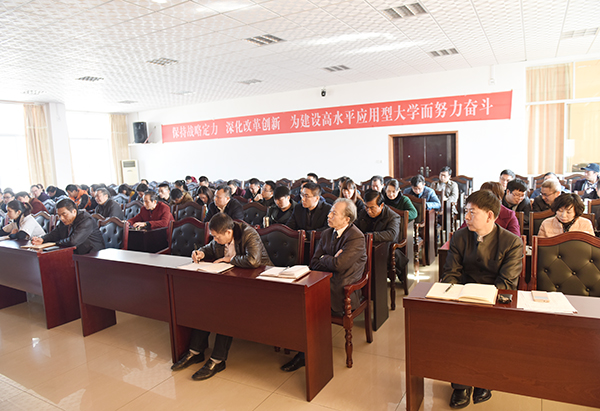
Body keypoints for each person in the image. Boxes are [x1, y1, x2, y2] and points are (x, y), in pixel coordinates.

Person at [442, 190, 523, 408]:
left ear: (489, 216)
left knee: (488, 332)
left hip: (494, 301)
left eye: (472, 212)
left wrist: (483, 302)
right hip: (463, 297)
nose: (466, 217)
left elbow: (506, 283)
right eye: (466, 211)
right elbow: (451, 273)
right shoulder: (460, 237)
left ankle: (484, 380)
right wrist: (454, 297)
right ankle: (460, 385)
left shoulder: (512, 242)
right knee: (457, 329)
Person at [171, 213, 272, 380]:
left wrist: (228, 260)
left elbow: (253, 260)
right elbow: (209, 247)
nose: (215, 240)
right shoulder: (219, 238)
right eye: (213, 236)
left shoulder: (248, 233)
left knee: (225, 309)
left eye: (217, 237)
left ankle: (217, 360)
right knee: (206, 304)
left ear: (229, 232)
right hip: (233, 283)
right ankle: (195, 351)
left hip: (258, 284)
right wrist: (200, 253)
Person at [281, 198, 367, 372]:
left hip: (342, 290)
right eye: (330, 212)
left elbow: (339, 265)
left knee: (307, 305)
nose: (329, 215)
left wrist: (325, 259)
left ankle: (305, 355)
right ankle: (297, 345)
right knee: (293, 298)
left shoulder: (356, 237)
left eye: (334, 213)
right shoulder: (328, 233)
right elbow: (314, 262)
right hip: (322, 282)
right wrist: (330, 259)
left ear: (347, 219)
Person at [356, 190, 407, 283]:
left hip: (383, 248)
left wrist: (370, 236)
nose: (368, 211)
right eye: (366, 207)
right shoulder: (363, 212)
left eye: (372, 208)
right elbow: (356, 227)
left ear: (382, 205)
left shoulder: (393, 216)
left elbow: (392, 234)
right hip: (365, 246)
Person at [31, 199, 105, 254]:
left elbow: (73, 241)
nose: (61, 218)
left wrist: (55, 243)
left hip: (92, 255)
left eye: (64, 214)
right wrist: (42, 239)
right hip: (74, 253)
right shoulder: (64, 220)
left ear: (74, 211)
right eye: (59, 215)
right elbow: (55, 233)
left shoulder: (85, 220)